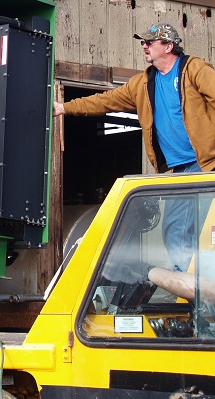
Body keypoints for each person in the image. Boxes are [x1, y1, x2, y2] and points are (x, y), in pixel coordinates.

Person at [53, 22, 215, 271]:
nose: (144, 46)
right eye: (143, 42)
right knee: (178, 230)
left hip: (205, 164)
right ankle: (196, 289)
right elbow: (105, 101)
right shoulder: (142, 84)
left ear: (169, 46)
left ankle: (197, 290)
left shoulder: (194, 70)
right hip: (181, 169)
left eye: (150, 42)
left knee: (181, 230)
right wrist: (65, 108)